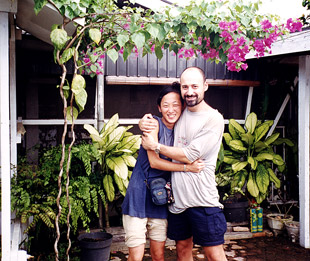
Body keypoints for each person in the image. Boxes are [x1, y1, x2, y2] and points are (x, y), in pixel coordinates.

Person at [140, 67, 227, 261]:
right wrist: (144, 121)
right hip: (178, 203)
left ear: (205, 86)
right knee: (183, 251)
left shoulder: (213, 119)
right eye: (185, 86)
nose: (189, 91)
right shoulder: (180, 112)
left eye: (195, 86)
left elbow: (190, 155)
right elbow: (161, 116)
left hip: (203, 201)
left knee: (214, 254)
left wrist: (156, 146)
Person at [122, 83, 205, 261]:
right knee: (135, 256)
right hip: (138, 197)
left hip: (159, 199)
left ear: (182, 106)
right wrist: (187, 167)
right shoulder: (153, 124)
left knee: (158, 255)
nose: (171, 110)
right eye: (166, 105)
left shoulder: (183, 130)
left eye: (176, 104)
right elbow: (154, 162)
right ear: (159, 108)